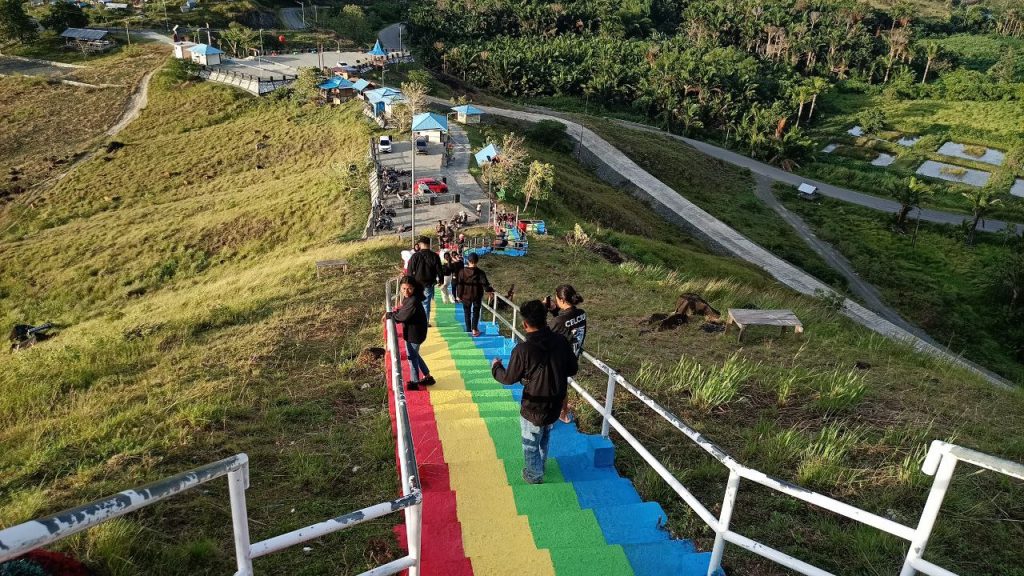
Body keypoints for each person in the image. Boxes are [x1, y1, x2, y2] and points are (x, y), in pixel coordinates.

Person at [491, 300, 578, 484]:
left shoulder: (523, 350)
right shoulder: (561, 341)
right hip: (554, 403)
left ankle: (534, 474)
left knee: (530, 442)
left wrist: (496, 367)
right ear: (545, 319)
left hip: (534, 405)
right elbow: (572, 369)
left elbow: (508, 378)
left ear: (524, 324)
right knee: (544, 437)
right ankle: (541, 466)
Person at [384, 276, 434, 390]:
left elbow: (402, 316)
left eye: (409, 288)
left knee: (412, 356)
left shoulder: (413, 300)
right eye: (403, 288)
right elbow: (403, 311)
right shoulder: (412, 298)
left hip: (415, 333)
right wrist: (395, 312)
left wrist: (390, 315)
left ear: (414, 288)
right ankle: (427, 376)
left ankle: (414, 382)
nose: (406, 291)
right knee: (415, 354)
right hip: (416, 331)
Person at [546, 285, 587, 423]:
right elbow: (567, 323)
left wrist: (543, 311)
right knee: (562, 384)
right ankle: (564, 411)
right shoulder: (582, 313)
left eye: (556, 299)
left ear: (561, 299)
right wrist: (554, 310)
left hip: (559, 359)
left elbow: (546, 334)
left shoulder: (558, 321)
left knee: (554, 386)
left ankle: (561, 412)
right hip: (573, 357)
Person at [406, 237, 444, 320]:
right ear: (429, 244)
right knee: (426, 303)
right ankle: (425, 322)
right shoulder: (435, 256)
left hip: (416, 283)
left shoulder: (415, 256)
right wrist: (441, 280)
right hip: (429, 283)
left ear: (420, 244)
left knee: (415, 302)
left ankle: (416, 320)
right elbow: (439, 270)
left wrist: (409, 282)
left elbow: (409, 270)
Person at [456, 252, 493, 336]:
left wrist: (458, 296)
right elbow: (485, 285)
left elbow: (460, 285)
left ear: (468, 261)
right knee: (476, 312)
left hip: (465, 296)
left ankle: (468, 329)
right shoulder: (480, 272)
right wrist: (490, 290)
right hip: (477, 295)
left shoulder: (462, 272)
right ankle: (474, 329)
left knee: (467, 313)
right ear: (477, 261)